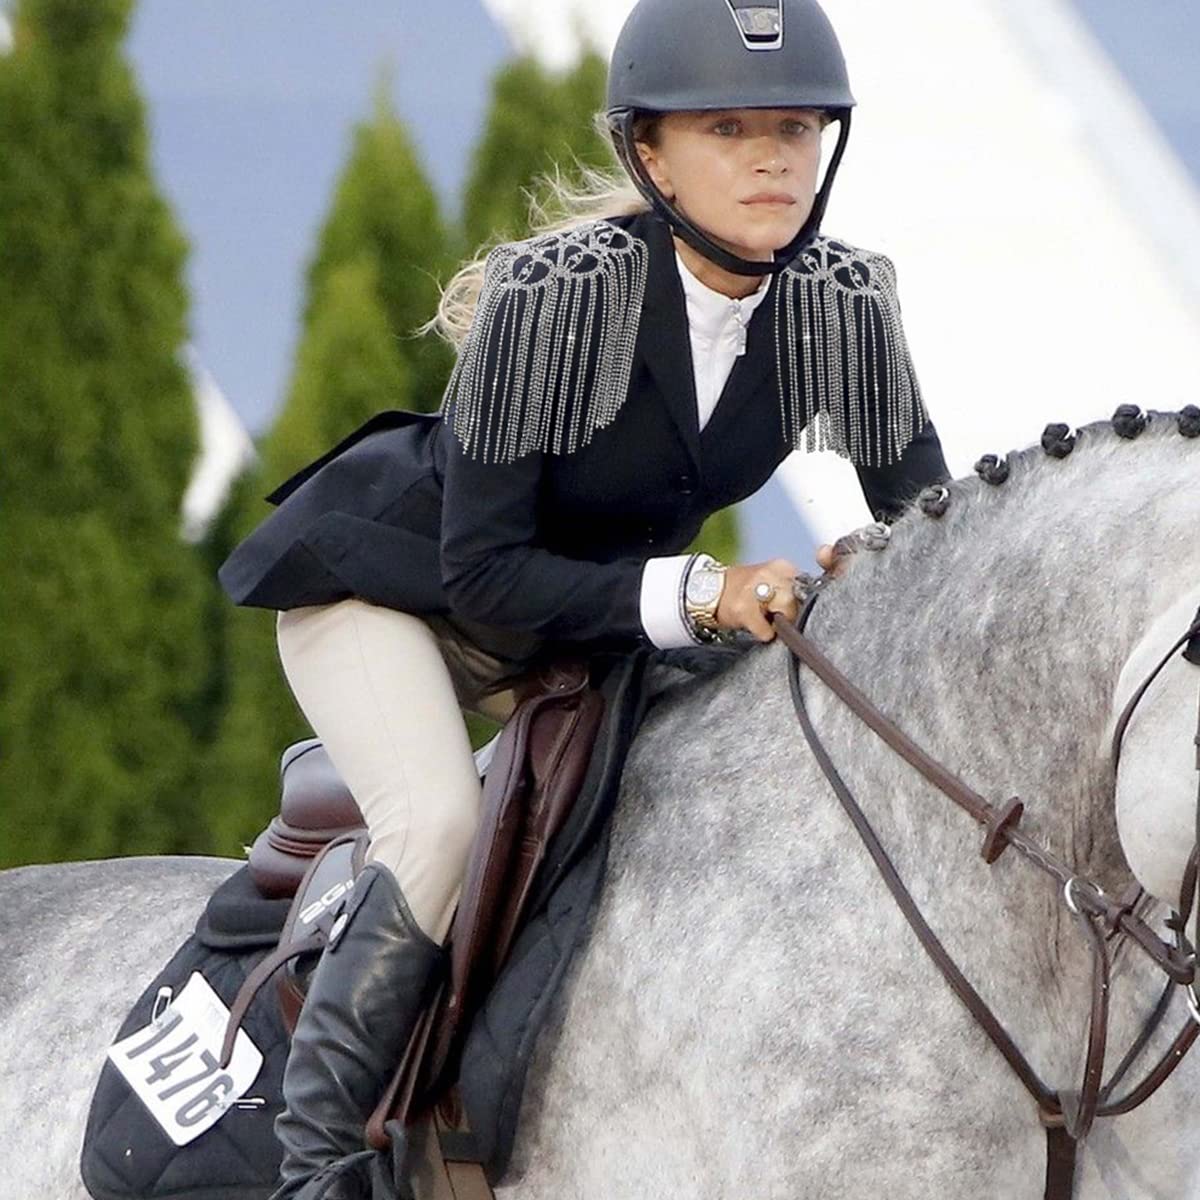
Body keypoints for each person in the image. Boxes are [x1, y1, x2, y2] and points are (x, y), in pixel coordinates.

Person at [218, 0, 950, 1194]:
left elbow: (929, 525)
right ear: (649, 155)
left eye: (796, 128)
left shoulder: (841, 301)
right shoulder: (554, 296)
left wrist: (876, 566)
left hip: (579, 625)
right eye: (729, 129)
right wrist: (706, 592)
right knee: (439, 824)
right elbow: (484, 575)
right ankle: (314, 1161)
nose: (774, 158)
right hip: (398, 600)